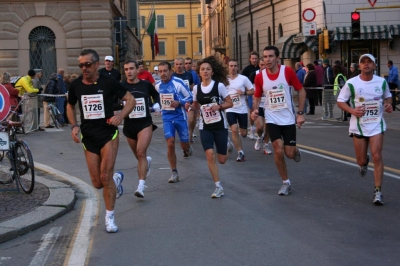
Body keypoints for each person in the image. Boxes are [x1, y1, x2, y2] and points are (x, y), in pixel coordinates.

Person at [67, 48, 136, 233]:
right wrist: (74, 126)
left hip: (108, 133)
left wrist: (120, 116)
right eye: (81, 65)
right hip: (88, 136)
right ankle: (116, 180)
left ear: (97, 64)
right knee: (98, 183)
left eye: (88, 64)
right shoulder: (75, 85)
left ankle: (110, 218)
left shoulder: (109, 82)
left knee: (105, 176)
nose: (84, 68)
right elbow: (70, 105)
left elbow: (130, 100)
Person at [337, 54, 392, 205]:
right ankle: (363, 163)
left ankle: (378, 191)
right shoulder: (351, 83)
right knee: (361, 160)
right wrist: (352, 111)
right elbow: (340, 101)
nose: (366, 64)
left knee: (377, 155)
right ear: (359, 66)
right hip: (359, 126)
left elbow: (388, 97)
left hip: (376, 124)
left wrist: (388, 104)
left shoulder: (381, 82)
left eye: (370, 62)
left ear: (374, 66)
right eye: (363, 62)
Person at [251, 45, 305, 196]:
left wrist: (300, 113)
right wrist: (255, 109)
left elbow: (301, 90)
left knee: (289, 153)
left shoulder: (286, 72)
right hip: (272, 117)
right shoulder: (260, 76)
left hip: (287, 118)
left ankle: (295, 151)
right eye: (265, 57)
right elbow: (257, 95)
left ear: (277, 58)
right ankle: (285, 182)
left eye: (270, 56)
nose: (267, 60)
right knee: (278, 149)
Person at [185, 56, 233, 198]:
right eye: (202, 69)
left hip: (219, 126)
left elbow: (230, 103)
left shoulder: (219, 86)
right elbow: (195, 105)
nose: (205, 72)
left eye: (208, 69)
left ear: (212, 72)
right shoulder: (196, 89)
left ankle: (226, 144)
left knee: (222, 160)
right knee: (210, 155)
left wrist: (219, 106)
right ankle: (218, 186)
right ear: (199, 72)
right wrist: (190, 107)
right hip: (205, 126)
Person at [121, 60, 160, 198]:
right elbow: (113, 101)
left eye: (131, 68)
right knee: (139, 156)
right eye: (126, 69)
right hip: (129, 125)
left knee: (141, 152)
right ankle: (146, 163)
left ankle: (141, 186)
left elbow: (156, 96)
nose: (129, 71)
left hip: (144, 123)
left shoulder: (145, 84)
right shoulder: (121, 86)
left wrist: (156, 105)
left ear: (138, 70)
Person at [156, 61, 193, 183]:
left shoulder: (178, 83)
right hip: (167, 118)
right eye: (160, 71)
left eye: (165, 71)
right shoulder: (158, 86)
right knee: (170, 143)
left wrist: (180, 102)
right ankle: (174, 172)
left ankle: (187, 149)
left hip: (180, 117)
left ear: (171, 71)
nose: (163, 74)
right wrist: (156, 107)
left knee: (184, 145)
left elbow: (190, 97)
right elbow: (156, 100)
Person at [226, 59, 254, 161]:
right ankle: (240, 152)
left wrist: (244, 93)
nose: (233, 68)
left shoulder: (243, 79)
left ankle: (235, 143)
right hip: (230, 109)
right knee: (234, 129)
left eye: (235, 66)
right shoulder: (224, 80)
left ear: (238, 67)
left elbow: (252, 90)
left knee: (243, 133)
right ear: (228, 67)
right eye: (231, 66)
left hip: (242, 109)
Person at [249, 58, 272, 155]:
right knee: (260, 127)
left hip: (269, 105)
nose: (263, 67)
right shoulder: (255, 75)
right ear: (259, 65)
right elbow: (249, 87)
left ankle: (266, 145)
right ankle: (259, 137)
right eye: (262, 65)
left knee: (268, 127)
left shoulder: (271, 74)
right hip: (259, 104)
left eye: (265, 65)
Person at [173, 57, 196, 144]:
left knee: (189, 122)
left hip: (188, 101)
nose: (179, 66)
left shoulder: (189, 75)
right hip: (177, 103)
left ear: (184, 65)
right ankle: (184, 140)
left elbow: (192, 87)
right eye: (177, 64)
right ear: (174, 65)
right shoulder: (172, 76)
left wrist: (195, 98)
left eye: (180, 64)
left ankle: (188, 143)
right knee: (181, 123)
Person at [241, 51, 259, 139]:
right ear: (250, 59)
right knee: (252, 110)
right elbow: (242, 81)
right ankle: (251, 128)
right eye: (253, 58)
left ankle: (261, 129)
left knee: (261, 111)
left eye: (256, 58)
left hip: (261, 93)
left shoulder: (261, 67)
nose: (254, 60)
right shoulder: (247, 69)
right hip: (251, 93)